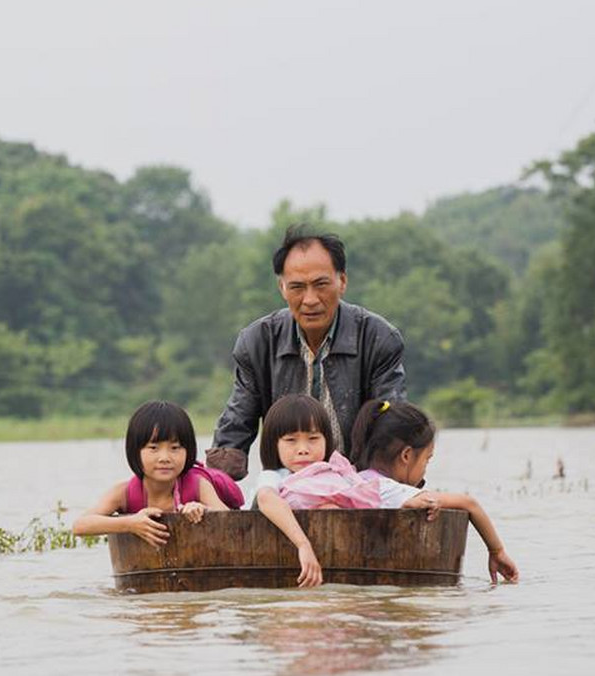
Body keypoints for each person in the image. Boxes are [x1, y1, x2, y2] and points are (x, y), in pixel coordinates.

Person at [206, 224, 407, 481]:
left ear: (342, 281)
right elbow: (235, 427)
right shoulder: (257, 342)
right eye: (297, 287)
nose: (310, 299)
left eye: (321, 284)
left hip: (358, 485)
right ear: (282, 288)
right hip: (285, 487)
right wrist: (214, 491)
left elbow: (393, 428)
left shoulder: (378, 338)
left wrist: (390, 492)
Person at [350, 398, 520, 584]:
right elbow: (469, 504)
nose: (425, 468)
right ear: (406, 456)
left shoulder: (355, 478)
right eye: (427, 459)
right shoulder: (389, 490)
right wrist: (497, 551)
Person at [73, 401, 242, 548]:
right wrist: (129, 523)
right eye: (153, 448)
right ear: (135, 451)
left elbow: (230, 521)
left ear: (188, 451)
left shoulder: (197, 485)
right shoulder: (124, 492)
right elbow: (80, 526)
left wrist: (204, 510)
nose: (165, 458)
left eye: (175, 448)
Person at [248, 395, 338, 587]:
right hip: (274, 560)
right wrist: (303, 545)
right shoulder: (274, 477)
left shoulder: (336, 476)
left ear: (327, 440)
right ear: (274, 445)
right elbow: (266, 498)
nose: (303, 449)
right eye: (291, 440)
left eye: (313, 438)